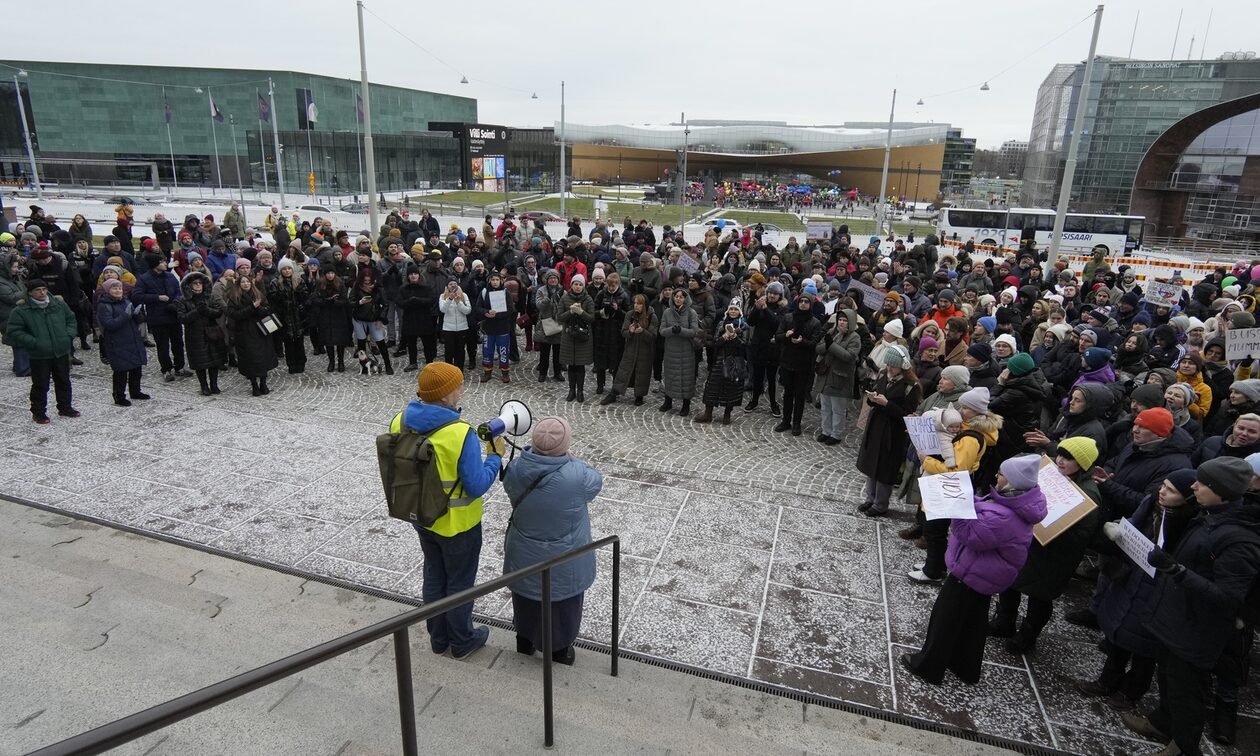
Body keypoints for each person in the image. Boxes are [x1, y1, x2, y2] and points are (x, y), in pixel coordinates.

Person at [1125, 457, 1260, 756]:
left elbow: (1228, 598)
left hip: (1197, 629)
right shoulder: (1209, 514)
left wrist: (1176, 571)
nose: (1194, 486)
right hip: (1176, 616)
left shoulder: (1241, 539)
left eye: (1203, 483)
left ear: (1221, 491)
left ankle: (1184, 747)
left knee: (1187, 691)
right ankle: (1162, 722)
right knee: (1168, 676)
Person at [901, 455, 1048, 686]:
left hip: (972, 574)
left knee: (944, 620)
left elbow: (971, 535)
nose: (996, 477)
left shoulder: (1007, 516)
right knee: (972, 623)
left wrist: (955, 508)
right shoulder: (1016, 501)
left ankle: (928, 666)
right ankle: (965, 667)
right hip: (984, 575)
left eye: (1001, 474)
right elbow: (986, 507)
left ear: (1012, 482)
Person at [390, 362, 502, 659]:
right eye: (458, 385)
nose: (462, 389)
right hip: (458, 524)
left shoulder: (400, 421)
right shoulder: (459, 433)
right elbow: (476, 485)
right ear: (444, 394)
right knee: (460, 583)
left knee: (434, 575)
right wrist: (495, 457)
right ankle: (462, 640)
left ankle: (438, 638)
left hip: (422, 516)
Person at [502, 416, 603, 665]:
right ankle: (559, 650)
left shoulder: (516, 469)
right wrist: (570, 458)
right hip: (564, 558)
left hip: (523, 552)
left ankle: (524, 640)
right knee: (561, 605)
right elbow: (596, 481)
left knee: (525, 598)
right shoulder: (576, 475)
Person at [990, 437, 1101, 655]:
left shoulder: (1089, 492)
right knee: (1010, 582)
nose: (1060, 461)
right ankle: (1005, 622)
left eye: (1068, 459)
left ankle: (1027, 636)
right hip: (1030, 544)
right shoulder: (1049, 471)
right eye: (1060, 455)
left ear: (1083, 464)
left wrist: (1055, 529)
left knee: (1039, 597)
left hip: (1054, 556)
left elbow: (1082, 535)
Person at [856, 344, 922, 516]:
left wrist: (887, 404)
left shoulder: (911, 386)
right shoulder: (884, 375)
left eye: (893, 365)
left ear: (903, 366)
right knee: (871, 464)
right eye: (888, 364)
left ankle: (880, 504)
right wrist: (872, 399)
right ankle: (870, 499)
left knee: (884, 468)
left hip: (892, 432)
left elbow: (907, 415)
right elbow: (877, 396)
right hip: (876, 426)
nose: (890, 368)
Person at [7, 279, 80, 423]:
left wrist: (68, 336)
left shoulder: (58, 304)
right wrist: (34, 342)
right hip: (39, 354)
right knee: (41, 385)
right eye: (37, 290)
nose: (42, 292)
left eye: (44, 289)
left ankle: (65, 407)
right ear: (30, 293)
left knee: (63, 381)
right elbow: (14, 331)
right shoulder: (21, 310)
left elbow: (71, 319)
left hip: (60, 350)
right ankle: (38, 412)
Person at [774, 290, 824, 436]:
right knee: (788, 393)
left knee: (800, 395)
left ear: (810, 304)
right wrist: (786, 335)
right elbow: (778, 336)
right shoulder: (788, 318)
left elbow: (815, 343)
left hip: (804, 364)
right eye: (801, 301)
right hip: (787, 360)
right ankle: (786, 420)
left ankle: (797, 423)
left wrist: (802, 342)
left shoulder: (815, 322)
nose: (803, 304)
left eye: (806, 302)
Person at [97, 277, 150, 406]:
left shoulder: (126, 300)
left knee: (136, 368)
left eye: (119, 288)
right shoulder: (104, 305)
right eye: (114, 288)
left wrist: (138, 314)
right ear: (108, 290)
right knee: (121, 371)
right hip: (117, 342)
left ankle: (135, 391)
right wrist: (126, 315)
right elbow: (110, 325)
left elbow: (133, 318)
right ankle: (119, 396)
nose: (118, 290)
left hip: (132, 339)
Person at [696, 298, 749, 425]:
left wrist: (735, 338)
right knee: (712, 386)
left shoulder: (743, 326)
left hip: (735, 360)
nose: (733, 311)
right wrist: (723, 338)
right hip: (720, 358)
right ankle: (708, 413)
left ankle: (727, 414)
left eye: (735, 309)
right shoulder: (721, 324)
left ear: (739, 312)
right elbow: (714, 343)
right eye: (731, 309)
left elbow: (745, 344)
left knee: (731, 388)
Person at [225, 275, 279, 396]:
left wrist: (258, 307)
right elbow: (234, 315)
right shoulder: (234, 297)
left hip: (261, 330)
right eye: (243, 282)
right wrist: (251, 307)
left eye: (247, 282)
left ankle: (263, 384)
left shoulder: (258, 294)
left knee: (263, 358)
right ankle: (254, 385)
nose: (246, 284)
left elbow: (267, 310)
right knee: (250, 359)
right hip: (245, 332)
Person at [175, 271, 227, 395]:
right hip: (194, 334)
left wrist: (206, 310)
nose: (198, 285)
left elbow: (218, 312)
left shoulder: (210, 297)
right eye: (195, 283)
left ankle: (214, 384)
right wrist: (197, 311)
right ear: (189, 285)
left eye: (200, 283)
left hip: (211, 331)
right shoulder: (182, 300)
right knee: (200, 362)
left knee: (214, 360)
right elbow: (183, 318)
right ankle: (204, 386)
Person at [602, 293, 657, 406]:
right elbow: (623, 332)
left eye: (639, 304)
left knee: (641, 372)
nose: (636, 306)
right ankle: (614, 393)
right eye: (635, 303)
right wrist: (630, 332)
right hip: (630, 349)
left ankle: (639, 396)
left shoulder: (652, 317)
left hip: (645, 351)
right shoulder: (630, 314)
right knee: (623, 371)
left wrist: (642, 331)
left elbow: (652, 336)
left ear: (644, 305)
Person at [816, 307, 861, 444]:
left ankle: (836, 434)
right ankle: (826, 430)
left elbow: (849, 356)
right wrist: (829, 344)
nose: (841, 323)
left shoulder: (854, 337)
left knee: (838, 409)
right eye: (840, 320)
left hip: (840, 377)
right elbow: (819, 348)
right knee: (826, 406)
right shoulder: (832, 332)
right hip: (826, 376)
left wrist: (831, 345)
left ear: (850, 322)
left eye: (844, 320)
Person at [659, 288, 699, 416]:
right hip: (671, 350)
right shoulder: (667, 312)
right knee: (670, 375)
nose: (678, 299)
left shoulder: (691, 313)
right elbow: (662, 331)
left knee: (686, 377)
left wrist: (681, 330)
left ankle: (686, 404)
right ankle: (668, 401)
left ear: (685, 299)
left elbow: (694, 331)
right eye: (676, 296)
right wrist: (672, 330)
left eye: (681, 297)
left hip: (686, 351)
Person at [558, 274, 596, 402]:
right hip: (568, 336)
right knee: (571, 365)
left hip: (582, 337)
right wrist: (570, 311)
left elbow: (591, 318)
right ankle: (571, 390)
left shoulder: (588, 299)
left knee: (580, 366)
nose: (578, 287)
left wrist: (581, 312)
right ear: (572, 285)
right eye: (576, 284)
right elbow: (559, 317)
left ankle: (580, 391)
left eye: (580, 284)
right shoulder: (564, 298)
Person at [476, 270, 516, 384]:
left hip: (502, 328)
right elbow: (478, 307)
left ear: (501, 281)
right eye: (492, 280)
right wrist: (486, 312)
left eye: (497, 280)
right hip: (488, 328)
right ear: (489, 281)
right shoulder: (484, 292)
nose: (495, 282)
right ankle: (487, 372)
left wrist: (497, 314)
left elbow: (511, 309)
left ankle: (505, 372)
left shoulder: (505, 292)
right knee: (487, 351)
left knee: (503, 351)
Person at [438, 279, 472, 370]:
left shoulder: (463, 295)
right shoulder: (442, 296)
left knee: (460, 350)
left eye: (454, 284)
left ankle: (459, 370)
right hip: (448, 329)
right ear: (447, 286)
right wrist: (449, 299)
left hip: (462, 328)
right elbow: (443, 310)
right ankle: (449, 371)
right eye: (450, 284)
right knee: (449, 351)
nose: (452, 285)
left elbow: (468, 310)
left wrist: (459, 302)